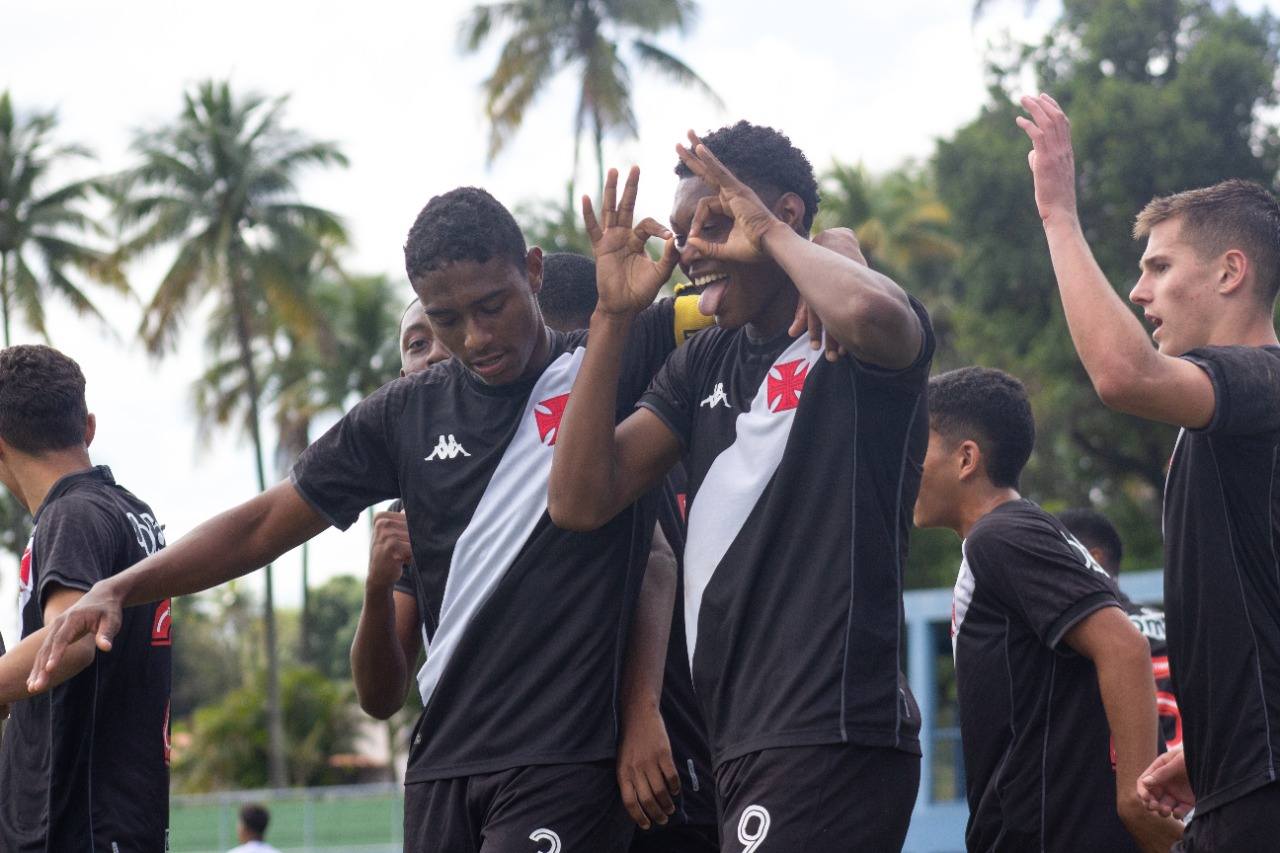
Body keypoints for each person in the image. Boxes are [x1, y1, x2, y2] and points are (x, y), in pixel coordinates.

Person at [34, 183, 695, 853]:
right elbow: (265, 521)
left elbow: (754, 298)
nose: (476, 337)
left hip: (564, 758)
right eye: (446, 318)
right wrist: (121, 585)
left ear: (531, 270)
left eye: (493, 306)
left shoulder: (617, 346)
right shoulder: (406, 412)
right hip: (442, 764)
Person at [548, 122, 930, 851]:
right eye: (683, 229)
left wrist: (806, 243)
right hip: (746, 740)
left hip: (831, 722)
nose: (689, 247)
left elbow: (878, 312)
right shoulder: (703, 363)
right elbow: (579, 499)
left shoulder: (853, 333)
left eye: (714, 223)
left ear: (779, 215)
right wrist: (612, 316)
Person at [1019, 93, 1280, 849]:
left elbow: (1121, 373)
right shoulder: (1227, 420)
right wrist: (1215, 744)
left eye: (1159, 267)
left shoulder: (1263, 379)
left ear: (1231, 272)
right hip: (1240, 780)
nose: (1140, 291)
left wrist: (1060, 216)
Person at [914, 366, 1182, 852]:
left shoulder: (1001, 536)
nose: (904, 462)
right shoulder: (1018, 534)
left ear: (966, 459)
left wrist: (1134, 798)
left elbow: (1124, 646)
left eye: (917, 446)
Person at [536, 251, 720, 852]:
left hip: (667, 762)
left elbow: (657, 563)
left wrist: (641, 710)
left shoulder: (653, 449)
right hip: (555, 770)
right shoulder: (480, 461)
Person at [0, 345, 170, 851]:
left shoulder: (70, 515)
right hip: (123, 819)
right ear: (88, 427)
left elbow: (71, 639)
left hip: (76, 829)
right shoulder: (131, 512)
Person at [1059, 507, 1182, 750]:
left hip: (1130, 776)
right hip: (1193, 776)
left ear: (1093, 558)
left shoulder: (1080, 635)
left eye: (1056, 555)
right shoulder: (1171, 625)